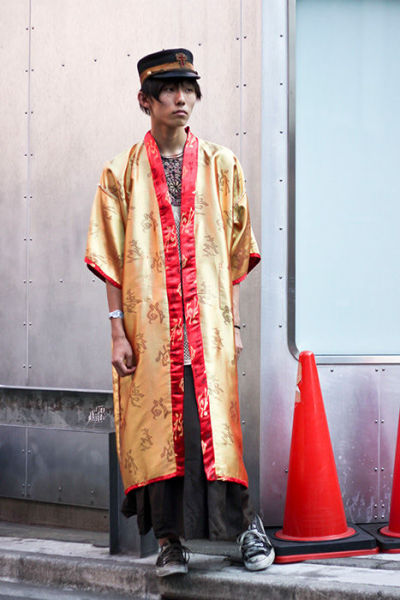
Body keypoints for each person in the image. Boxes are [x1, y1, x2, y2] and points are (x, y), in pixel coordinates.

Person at [85, 48, 274, 576]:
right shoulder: (119, 172)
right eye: (169, 89)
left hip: (207, 328)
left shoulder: (221, 165)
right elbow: (111, 258)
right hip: (149, 331)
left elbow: (235, 254)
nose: (181, 98)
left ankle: (247, 529)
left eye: (188, 88)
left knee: (216, 427)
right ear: (145, 100)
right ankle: (170, 541)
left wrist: (233, 325)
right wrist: (117, 333)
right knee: (159, 432)